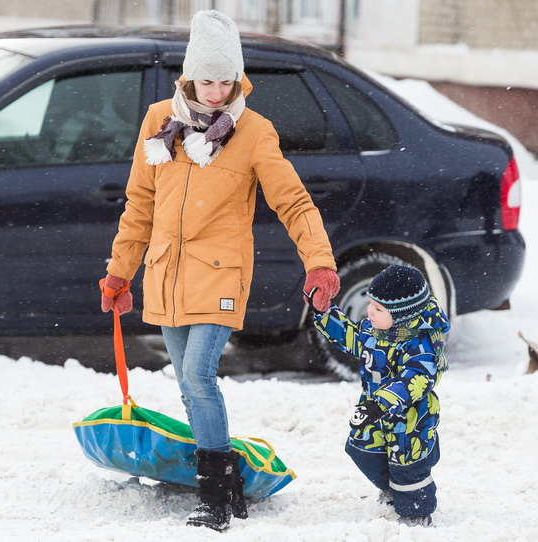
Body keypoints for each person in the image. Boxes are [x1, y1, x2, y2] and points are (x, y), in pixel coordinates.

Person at [99, 10, 339, 532]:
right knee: (186, 385)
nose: (216, 92)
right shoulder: (160, 122)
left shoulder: (253, 132)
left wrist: (319, 261)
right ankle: (223, 484)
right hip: (165, 273)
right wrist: (120, 273)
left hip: (220, 273)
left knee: (198, 376)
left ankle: (216, 495)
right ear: (188, 76)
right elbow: (140, 204)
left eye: (226, 80)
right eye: (206, 80)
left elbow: (294, 202)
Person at [309, 264, 450, 527]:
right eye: (370, 304)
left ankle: (416, 513)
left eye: (377, 309)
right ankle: (392, 487)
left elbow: (413, 380)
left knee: (409, 466)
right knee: (362, 450)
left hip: (411, 420)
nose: (368, 311)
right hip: (374, 412)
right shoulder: (375, 332)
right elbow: (351, 336)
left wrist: (380, 403)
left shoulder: (421, 345)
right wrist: (324, 311)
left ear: (401, 315)